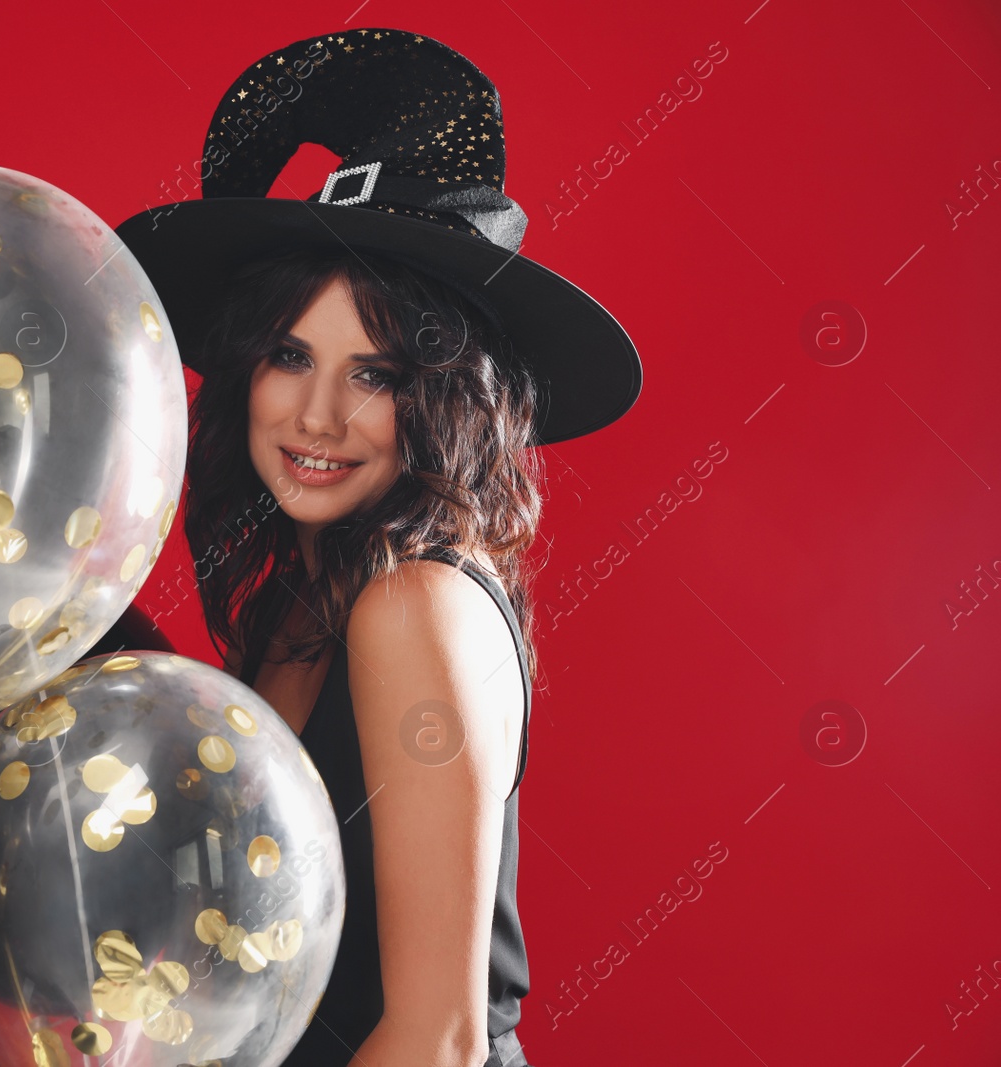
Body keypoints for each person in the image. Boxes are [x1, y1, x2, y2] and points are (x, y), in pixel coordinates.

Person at [116, 27, 641, 1067]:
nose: (316, 415)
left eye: (376, 372)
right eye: (289, 354)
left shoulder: (413, 602)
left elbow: (436, 1038)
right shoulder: (305, 592)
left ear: (441, 397)